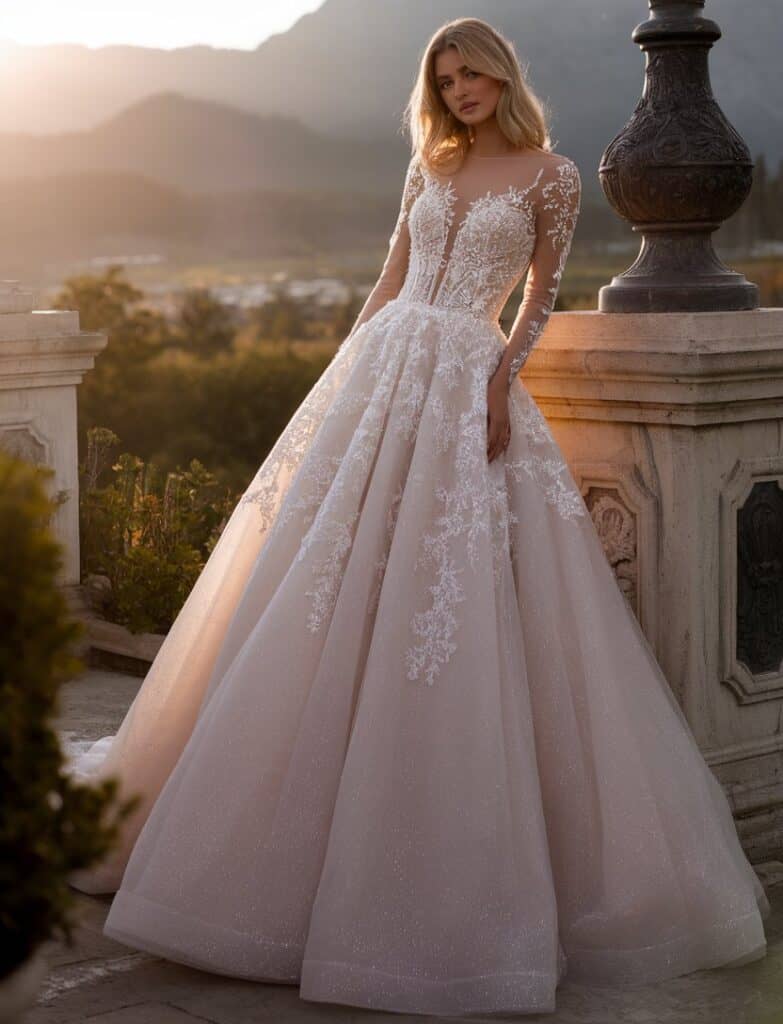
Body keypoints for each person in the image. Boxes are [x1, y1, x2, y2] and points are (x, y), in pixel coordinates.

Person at [67, 16, 769, 1018]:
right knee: (316, 582)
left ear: (500, 75)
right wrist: (339, 383)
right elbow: (389, 280)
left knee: (444, 600)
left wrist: (498, 381)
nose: (459, 89)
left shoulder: (553, 175)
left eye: (471, 71)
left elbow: (540, 294)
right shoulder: (428, 162)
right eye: (444, 77)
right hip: (385, 371)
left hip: (464, 380)